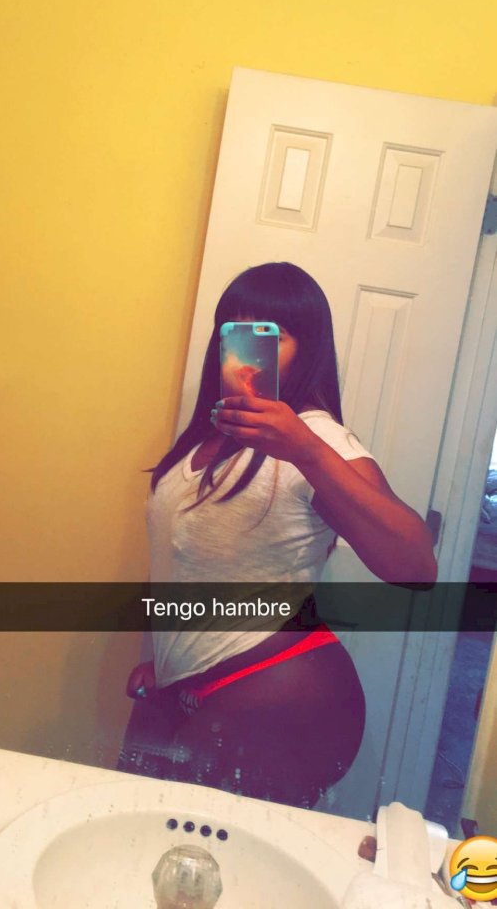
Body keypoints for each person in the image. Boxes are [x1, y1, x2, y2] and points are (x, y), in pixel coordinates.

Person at [118, 262, 437, 808]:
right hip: (186, 682)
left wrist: (307, 451)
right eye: (233, 329)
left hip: (277, 688)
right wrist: (167, 658)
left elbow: (416, 566)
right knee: (142, 829)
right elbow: (189, 562)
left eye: (271, 333)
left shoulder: (320, 439)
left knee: (201, 849)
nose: (245, 348)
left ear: (307, 348)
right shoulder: (209, 433)